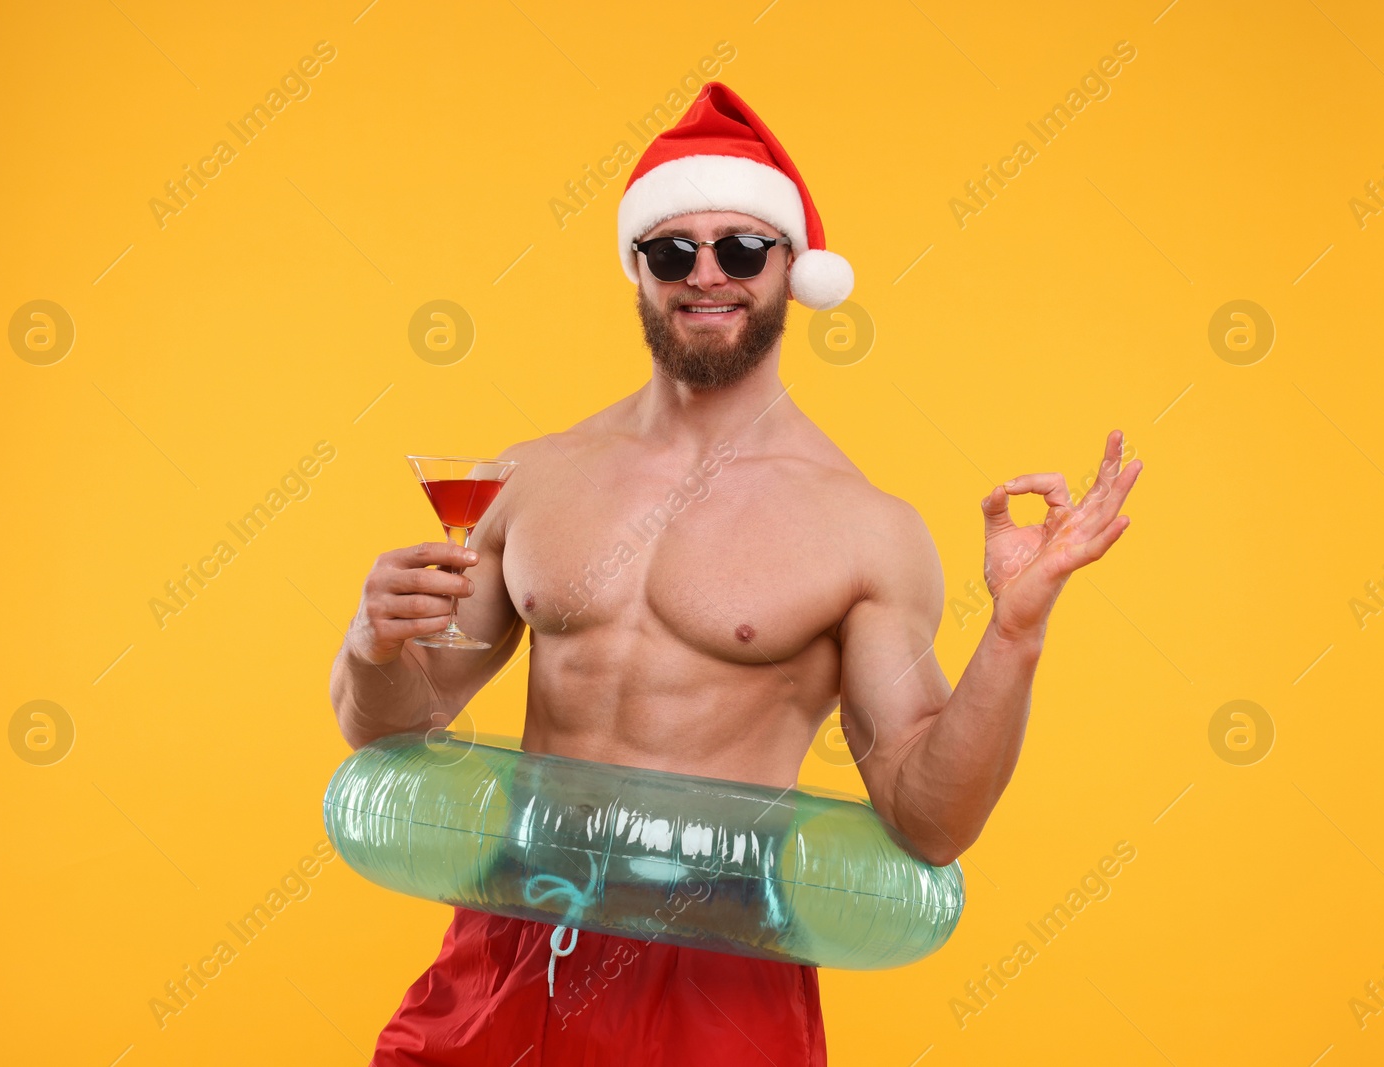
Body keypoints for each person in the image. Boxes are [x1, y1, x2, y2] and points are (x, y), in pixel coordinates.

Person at [331, 82, 1140, 1067]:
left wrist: (1014, 631)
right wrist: (372, 643)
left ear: (791, 266)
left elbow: (930, 820)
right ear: (637, 266)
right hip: (506, 947)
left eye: (741, 248)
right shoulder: (532, 477)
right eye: (673, 249)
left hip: (715, 979)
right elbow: (392, 730)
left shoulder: (862, 528)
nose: (705, 274)